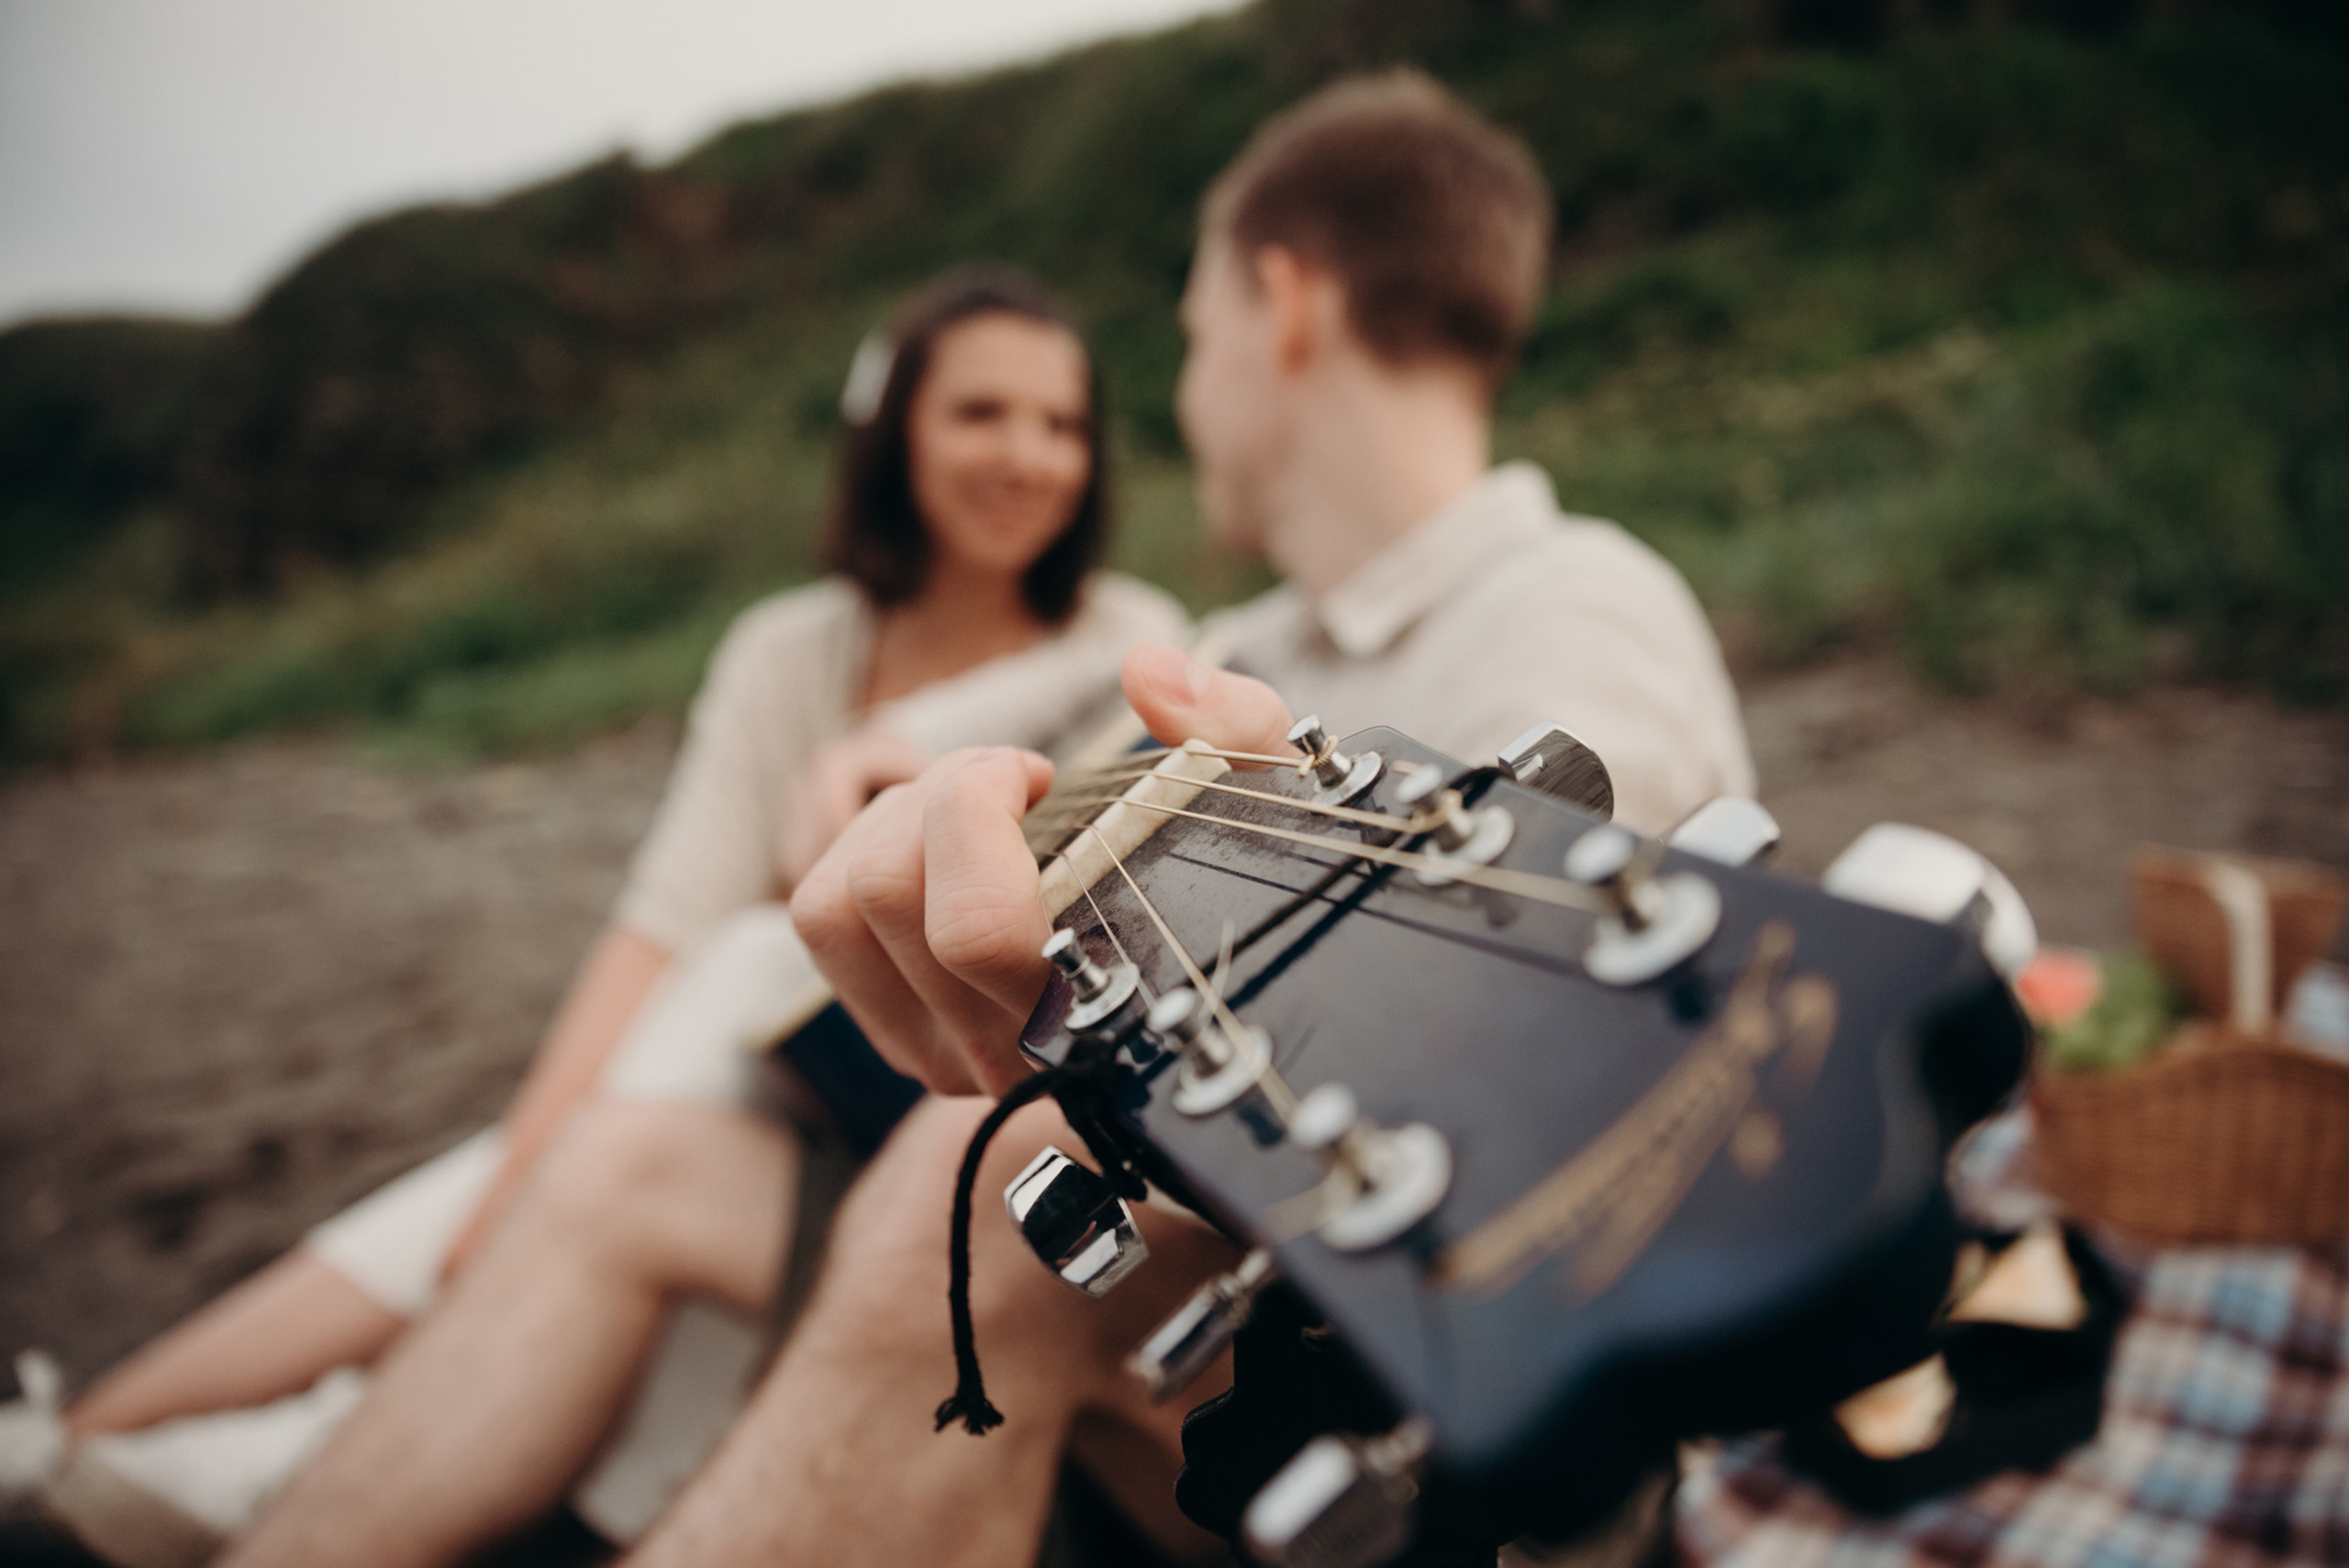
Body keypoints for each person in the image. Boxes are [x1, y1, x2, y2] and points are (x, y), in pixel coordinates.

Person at [507, 71, 1754, 1568]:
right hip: (1226, 1294)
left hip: (1447, 1380)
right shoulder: (1242, 639)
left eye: (1191, 336)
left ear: (1283, 304)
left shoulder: (1571, 603)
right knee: (636, 1160)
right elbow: (1055, 736)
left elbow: (1553, 1029)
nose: (1181, 396)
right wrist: (923, 777)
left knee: (960, 1188)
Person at [9, 265, 1186, 1568]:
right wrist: (528, 1172)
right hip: (718, 1096)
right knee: (562, 1129)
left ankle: (167, 1439)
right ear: (896, 429)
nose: (1028, 456)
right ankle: (116, 1435)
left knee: (740, 968)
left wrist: (906, 760)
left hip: (919, 1109)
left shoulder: (1132, 640)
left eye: (1062, 424)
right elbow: (659, 922)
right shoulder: (790, 649)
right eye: (981, 413)